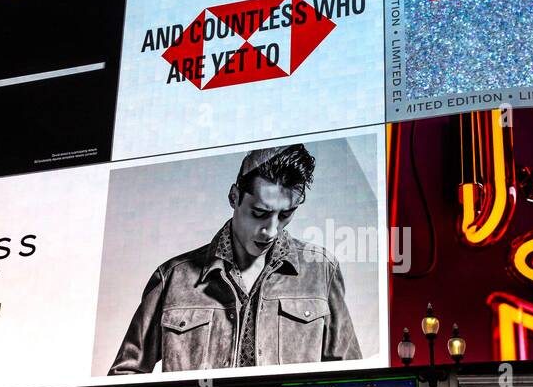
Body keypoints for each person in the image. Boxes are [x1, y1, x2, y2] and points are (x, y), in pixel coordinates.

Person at [109, 144, 362, 375]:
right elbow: (125, 376)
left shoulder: (321, 270)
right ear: (234, 197)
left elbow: (351, 378)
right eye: (260, 213)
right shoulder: (173, 278)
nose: (271, 230)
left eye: (286, 214)